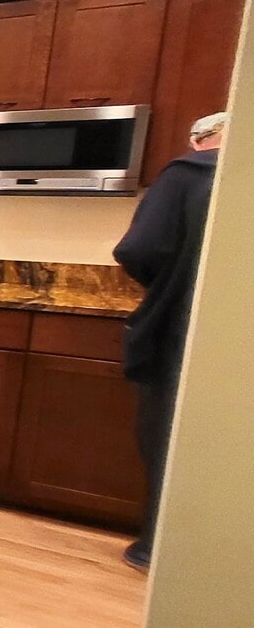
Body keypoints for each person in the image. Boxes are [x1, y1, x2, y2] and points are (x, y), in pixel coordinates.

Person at [112, 110, 226, 571]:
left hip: (177, 336)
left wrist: (168, 285)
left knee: (164, 444)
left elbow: (139, 250)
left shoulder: (186, 174)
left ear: (201, 139)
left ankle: (155, 549)